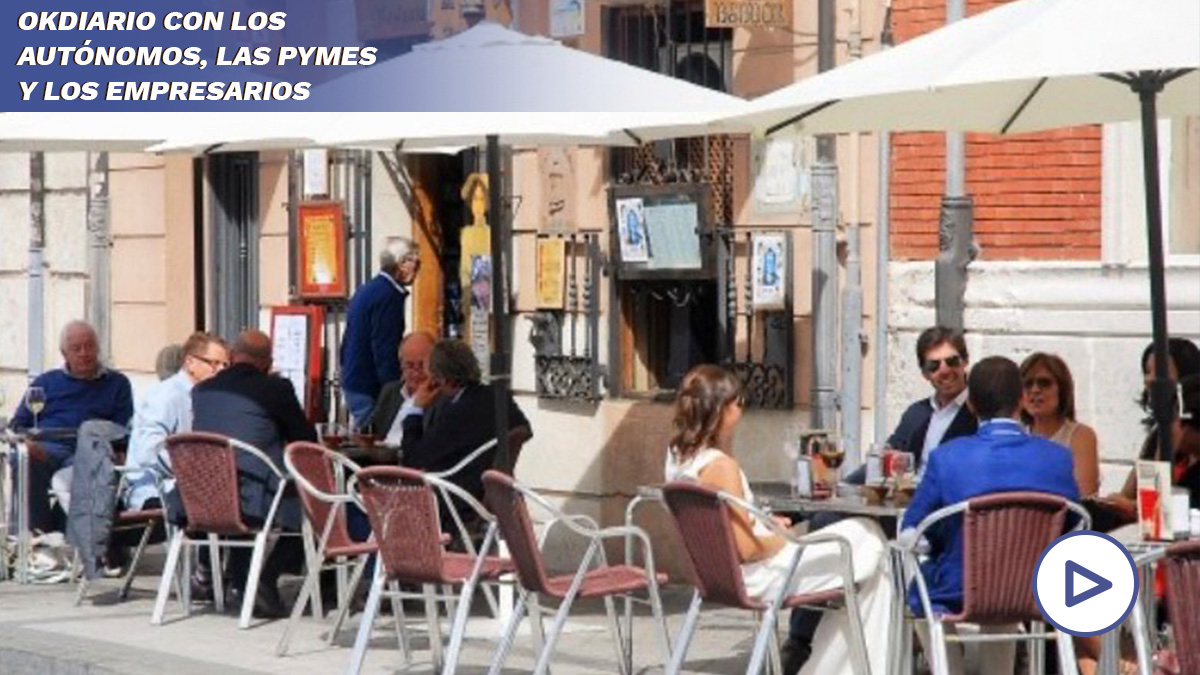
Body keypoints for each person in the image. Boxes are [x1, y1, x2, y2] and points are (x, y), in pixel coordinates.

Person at [664, 365, 893, 675]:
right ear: (722, 411)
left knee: (872, 573)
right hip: (762, 576)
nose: (741, 411)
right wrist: (784, 538)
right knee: (870, 536)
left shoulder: (678, 460)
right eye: (739, 403)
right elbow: (747, 548)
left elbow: (732, 530)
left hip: (720, 576)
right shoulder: (721, 466)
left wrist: (766, 524)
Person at [782, 325, 978, 674]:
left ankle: (810, 644)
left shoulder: (976, 414)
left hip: (943, 517)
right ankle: (800, 641)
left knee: (837, 529)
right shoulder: (918, 413)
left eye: (951, 361)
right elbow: (882, 461)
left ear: (965, 362)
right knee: (827, 521)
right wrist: (837, 493)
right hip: (903, 508)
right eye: (934, 366)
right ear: (924, 373)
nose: (944, 371)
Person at [900, 356, 1079, 675]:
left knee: (919, 589)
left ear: (970, 405)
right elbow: (1074, 525)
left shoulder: (946, 458)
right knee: (1009, 579)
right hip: (1038, 588)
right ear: (1022, 399)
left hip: (963, 587)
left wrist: (940, 542)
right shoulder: (1058, 458)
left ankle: (949, 671)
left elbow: (910, 531)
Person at [185, 330, 317, 618]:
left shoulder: (202, 392)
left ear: (232, 358)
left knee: (255, 484)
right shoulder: (276, 389)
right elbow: (304, 441)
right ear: (268, 362)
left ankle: (243, 583)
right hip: (252, 496)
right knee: (310, 503)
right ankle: (264, 580)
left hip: (204, 496)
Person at [8, 320, 133, 534]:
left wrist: (118, 451)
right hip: (49, 447)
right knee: (24, 459)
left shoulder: (117, 383)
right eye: (77, 348)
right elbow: (19, 424)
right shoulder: (45, 382)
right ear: (65, 354)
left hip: (89, 449)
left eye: (89, 346)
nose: (84, 353)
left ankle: (63, 533)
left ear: (97, 348)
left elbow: (123, 429)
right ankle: (36, 536)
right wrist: (27, 443)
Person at [400, 339, 532, 504]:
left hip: (456, 501)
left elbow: (413, 459)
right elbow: (524, 429)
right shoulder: (499, 396)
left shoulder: (456, 414)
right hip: (494, 494)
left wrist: (416, 409)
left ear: (440, 378)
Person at [124, 332, 229, 511]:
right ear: (190, 363)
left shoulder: (209, 396)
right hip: (154, 488)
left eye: (225, 365)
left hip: (194, 487)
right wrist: (192, 472)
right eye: (214, 363)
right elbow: (148, 451)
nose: (220, 370)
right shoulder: (167, 395)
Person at [340, 239, 420, 429]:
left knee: (365, 435)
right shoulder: (388, 295)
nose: (418, 270)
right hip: (370, 386)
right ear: (403, 264)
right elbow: (385, 347)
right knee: (375, 441)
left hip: (355, 379)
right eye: (417, 263)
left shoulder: (369, 289)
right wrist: (393, 391)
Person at [1020, 352, 1100, 496]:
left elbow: (1085, 496)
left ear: (1062, 389)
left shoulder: (1080, 436)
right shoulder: (1017, 435)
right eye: (1027, 384)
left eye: (1044, 383)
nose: (1035, 390)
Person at [367, 331, 436, 446]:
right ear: (401, 365)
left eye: (422, 365)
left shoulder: (440, 396)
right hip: (379, 457)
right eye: (409, 365)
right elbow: (370, 430)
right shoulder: (390, 391)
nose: (415, 372)